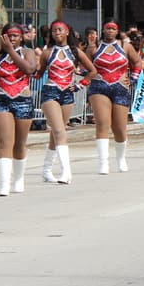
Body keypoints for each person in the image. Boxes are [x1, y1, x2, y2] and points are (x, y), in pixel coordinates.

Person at [37, 21, 95, 182]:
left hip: (68, 94)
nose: (57, 33)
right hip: (50, 92)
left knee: (56, 133)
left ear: (67, 32)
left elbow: (92, 71)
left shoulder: (75, 52)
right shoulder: (47, 53)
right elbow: (38, 73)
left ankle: (47, 170)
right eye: (54, 31)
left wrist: (79, 85)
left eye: (60, 30)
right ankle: (66, 172)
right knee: (59, 131)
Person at [0, 23, 37, 196]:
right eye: (9, 35)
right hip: (1, 99)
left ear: (21, 37)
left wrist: (11, 51)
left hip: (22, 99)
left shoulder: (28, 53)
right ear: (3, 37)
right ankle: (4, 183)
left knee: (20, 142)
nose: (12, 38)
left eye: (16, 35)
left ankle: (18, 178)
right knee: (4, 142)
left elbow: (29, 69)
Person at [88, 21, 141, 174]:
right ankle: (103, 162)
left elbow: (137, 62)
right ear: (103, 30)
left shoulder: (125, 46)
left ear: (117, 31)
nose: (110, 31)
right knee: (102, 123)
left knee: (119, 128)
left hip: (120, 87)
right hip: (99, 87)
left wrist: (133, 79)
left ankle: (120, 157)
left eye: (113, 29)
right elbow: (84, 65)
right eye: (107, 29)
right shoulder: (95, 47)